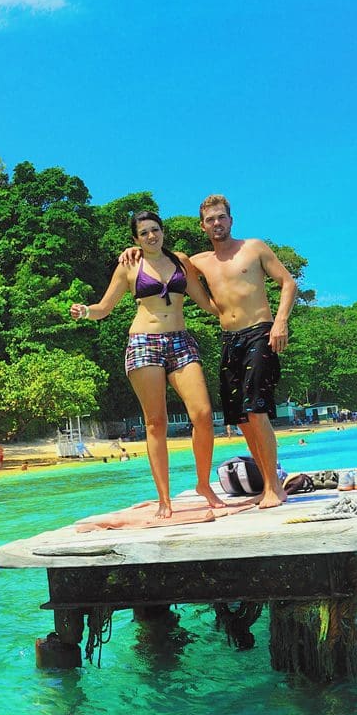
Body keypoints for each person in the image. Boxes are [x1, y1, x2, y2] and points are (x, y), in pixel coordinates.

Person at [119, 195, 295, 509]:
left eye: (221, 217)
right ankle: (269, 483)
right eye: (210, 220)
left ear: (231, 219)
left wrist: (280, 321)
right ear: (203, 226)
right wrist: (134, 250)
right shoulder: (195, 261)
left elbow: (288, 283)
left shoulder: (254, 248)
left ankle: (275, 488)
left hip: (260, 332)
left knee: (256, 409)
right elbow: (159, 259)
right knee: (241, 418)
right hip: (229, 339)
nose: (217, 223)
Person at [71, 210, 226, 518]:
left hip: (181, 341)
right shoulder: (129, 266)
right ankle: (164, 499)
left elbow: (206, 301)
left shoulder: (181, 260)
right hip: (144, 343)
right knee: (156, 422)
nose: (152, 236)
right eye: (144, 233)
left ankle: (203, 484)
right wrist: (85, 311)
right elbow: (105, 307)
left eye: (155, 229)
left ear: (162, 230)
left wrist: (237, 311)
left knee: (204, 414)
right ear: (135, 239)